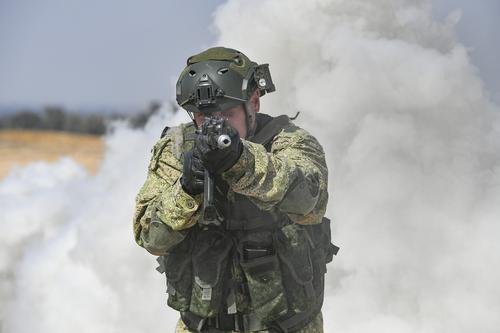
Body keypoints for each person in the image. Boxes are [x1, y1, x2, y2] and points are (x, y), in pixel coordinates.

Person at [133, 47, 338, 333]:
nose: (215, 127)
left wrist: (239, 160)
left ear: (253, 103)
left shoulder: (290, 141)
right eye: (205, 118)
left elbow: (308, 201)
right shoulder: (176, 150)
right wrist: (187, 190)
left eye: (227, 114)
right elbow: (150, 236)